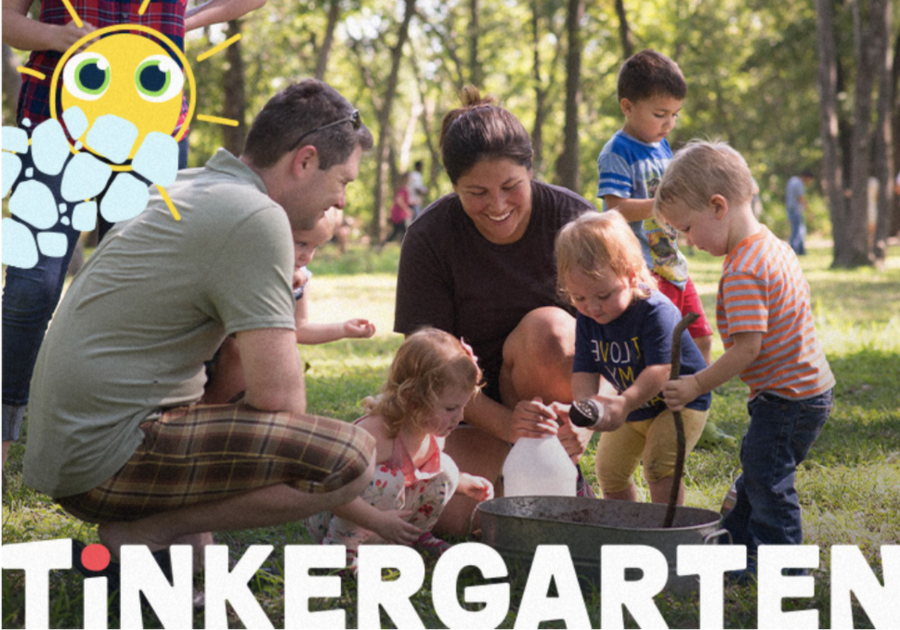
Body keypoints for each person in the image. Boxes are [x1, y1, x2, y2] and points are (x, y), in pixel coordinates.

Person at [21, 80, 377, 567]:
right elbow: (282, 402)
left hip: (71, 446)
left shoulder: (188, 183)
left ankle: (171, 545)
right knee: (351, 459)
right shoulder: (256, 216)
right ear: (306, 161)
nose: (339, 202)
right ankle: (147, 531)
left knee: (200, 550)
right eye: (343, 182)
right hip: (105, 458)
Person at [1, 0, 265, 469]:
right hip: (56, 122)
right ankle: (3, 436)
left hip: (152, 125)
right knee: (31, 287)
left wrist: (190, 18)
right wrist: (55, 37)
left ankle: (127, 442)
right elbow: (6, 19)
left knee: (142, 293)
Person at [394, 87, 597, 536]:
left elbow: (626, 338)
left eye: (510, 187)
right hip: (470, 409)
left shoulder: (575, 221)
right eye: (477, 193)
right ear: (454, 188)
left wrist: (586, 418)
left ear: (530, 169)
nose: (498, 205)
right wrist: (509, 424)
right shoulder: (430, 238)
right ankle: (528, 482)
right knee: (450, 515)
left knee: (550, 330)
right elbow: (426, 368)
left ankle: (559, 471)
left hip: (554, 394)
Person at [656, 140, 835, 578]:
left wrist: (697, 384)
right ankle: (732, 548)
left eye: (686, 229)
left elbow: (747, 348)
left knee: (769, 483)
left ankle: (785, 572)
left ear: (718, 206)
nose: (687, 242)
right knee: (757, 472)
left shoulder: (742, 270)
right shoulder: (771, 245)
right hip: (808, 390)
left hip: (786, 398)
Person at [556, 212, 710, 505]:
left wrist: (624, 402)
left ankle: (667, 534)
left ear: (630, 274)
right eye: (579, 298)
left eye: (603, 295)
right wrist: (585, 406)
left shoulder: (655, 311)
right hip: (632, 407)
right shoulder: (588, 316)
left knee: (658, 465)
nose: (593, 307)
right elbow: (584, 368)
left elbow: (661, 369)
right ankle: (628, 529)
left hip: (678, 402)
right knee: (609, 470)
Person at [305, 328, 494, 567]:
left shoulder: (433, 432)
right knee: (388, 478)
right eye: (450, 409)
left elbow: (419, 476)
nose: (460, 416)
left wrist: (463, 482)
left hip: (385, 523)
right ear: (413, 399)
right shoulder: (379, 434)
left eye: (462, 406)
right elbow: (330, 491)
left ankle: (412, 536)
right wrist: (377, 521)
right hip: (337, 513)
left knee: (445, 469)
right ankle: (340, 550)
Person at [596, 49, 713, 367]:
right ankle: (659, 403)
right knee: (659, 344)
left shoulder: (661, 145)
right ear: (628, 107)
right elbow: (615, 210)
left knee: (700, 335)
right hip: (643, 270)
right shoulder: (617, 152)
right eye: (661, 114)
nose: (669, 123)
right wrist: (660, 205)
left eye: (675, 114)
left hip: (673, 262)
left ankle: (696, 399)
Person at [203, 209, 376, 405]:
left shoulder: (302, 280)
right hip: (209, 351)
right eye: (301, 243)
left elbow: (298, 329)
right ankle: (206, 408)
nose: (307, 257)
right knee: (239, 346)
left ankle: (223, 411)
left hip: (242, 363)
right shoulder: (252, 262)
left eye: (315, 247)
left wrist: (343, 329)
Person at [785, 169, 814, 255]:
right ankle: (793, 251)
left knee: (800, 230)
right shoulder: (799, 183)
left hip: (790, 208)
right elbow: (801, 198)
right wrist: (809, 212)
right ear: (807, 177)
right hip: (796, 210)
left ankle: (801, 251)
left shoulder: (792, 180)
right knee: (797, 231)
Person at [381, 172, 412, 247]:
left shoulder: (402, 189)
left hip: (398, 214)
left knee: (397, 233)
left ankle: (382, 245)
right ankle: (405, 248)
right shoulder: (403, 189)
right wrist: (407, 210)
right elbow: (399, 200)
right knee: (403, 233)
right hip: (399, 215)